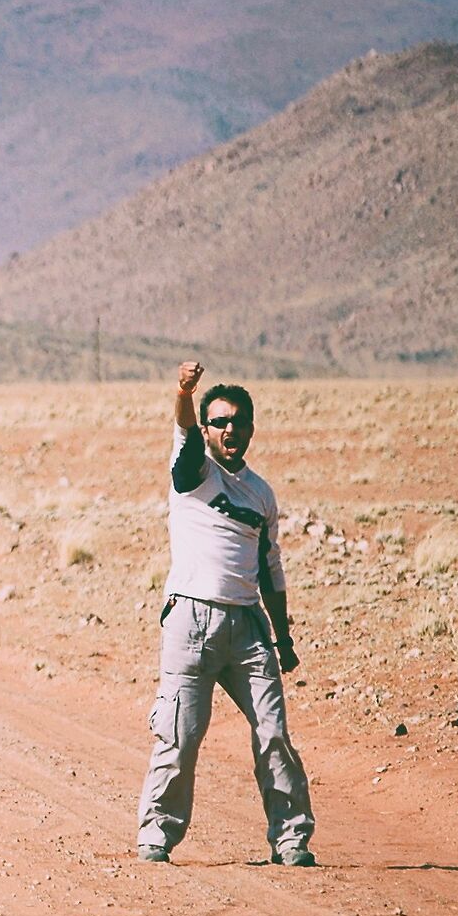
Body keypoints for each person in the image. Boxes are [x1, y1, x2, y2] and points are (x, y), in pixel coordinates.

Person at [136, 361, 316, 866]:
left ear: (252, 428)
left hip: (248, 627)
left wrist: (283, 639)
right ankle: (157, 834)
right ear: (207, 429)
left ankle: (291, 838)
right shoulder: (193, 471)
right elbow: (186, 431)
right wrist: (183, 392)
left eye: (239, 421)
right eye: (219, 422)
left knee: (273, 732)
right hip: (190, 621)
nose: (229, 429)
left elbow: (270, 570)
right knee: (180, 733)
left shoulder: (261, 494)